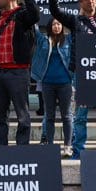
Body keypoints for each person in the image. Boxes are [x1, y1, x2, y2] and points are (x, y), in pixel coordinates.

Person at [48, 0, 96, 158]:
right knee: (80, 115)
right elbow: (55, 11)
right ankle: (78, 151)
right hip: (82, 74)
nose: (91, 1)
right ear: (81, 2)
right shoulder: (75, 21)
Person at [0, 0, 40, 146]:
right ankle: (1, 149)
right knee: (0, 115)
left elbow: (34, 15)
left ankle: (22, 150)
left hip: (18, 71)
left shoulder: (22, 16)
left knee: (22, 115)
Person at [31, 17, 74, 155]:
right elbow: (34, 29)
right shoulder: (43, 40)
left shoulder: (68, 40)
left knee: (66, 115)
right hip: (47, 83)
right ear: (50, 26)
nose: (57, 26)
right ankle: (50, 145)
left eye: (59, 24)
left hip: (65, 83)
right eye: (54, 24)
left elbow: (75, 27)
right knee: (49, 115)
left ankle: (67, 145)